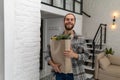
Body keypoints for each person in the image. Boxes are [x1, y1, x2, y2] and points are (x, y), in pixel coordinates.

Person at [45, 13, 89, 80]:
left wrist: (74, 55)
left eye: (72, 20)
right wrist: (53, 65)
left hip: (75, 74)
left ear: (74, 22)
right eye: (67, 19)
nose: (69, 21)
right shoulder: (55, 38)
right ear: (64, 21)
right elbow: (47, 55)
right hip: (59, 72)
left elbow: (86, 56)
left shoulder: (81, 38)